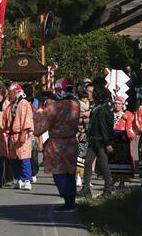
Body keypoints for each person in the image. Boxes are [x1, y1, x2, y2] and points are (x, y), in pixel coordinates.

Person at [33, 78, 81, 212]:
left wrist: (40, 112)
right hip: (71, 141)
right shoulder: (76, 104)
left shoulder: (53, 108)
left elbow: (39, 128)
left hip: (57, 144)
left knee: (59, 173)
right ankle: (71, 200)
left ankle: (68, 202)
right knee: (70, 172)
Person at [0, 83, 34, 190]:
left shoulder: (24, 103)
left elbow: (27, 119)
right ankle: (19, 179)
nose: (9, 94)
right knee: (13, 159)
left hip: (21, 134)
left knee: (24, 158)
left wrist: (24, 133)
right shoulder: (11, 104)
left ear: (15, 92)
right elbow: (3, 116)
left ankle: (27, 180)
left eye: (10, 92)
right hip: (12, 135)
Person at [80, 86, 115, 198]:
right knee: (88, 163)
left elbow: (104, 127)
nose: (90, 94)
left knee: (103, 163)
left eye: (92, 92)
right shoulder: (97, 107)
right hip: (93, 140)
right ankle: (86, 189)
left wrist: (108, 143)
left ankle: (108, 188)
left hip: (100, 141)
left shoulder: (102, 109)